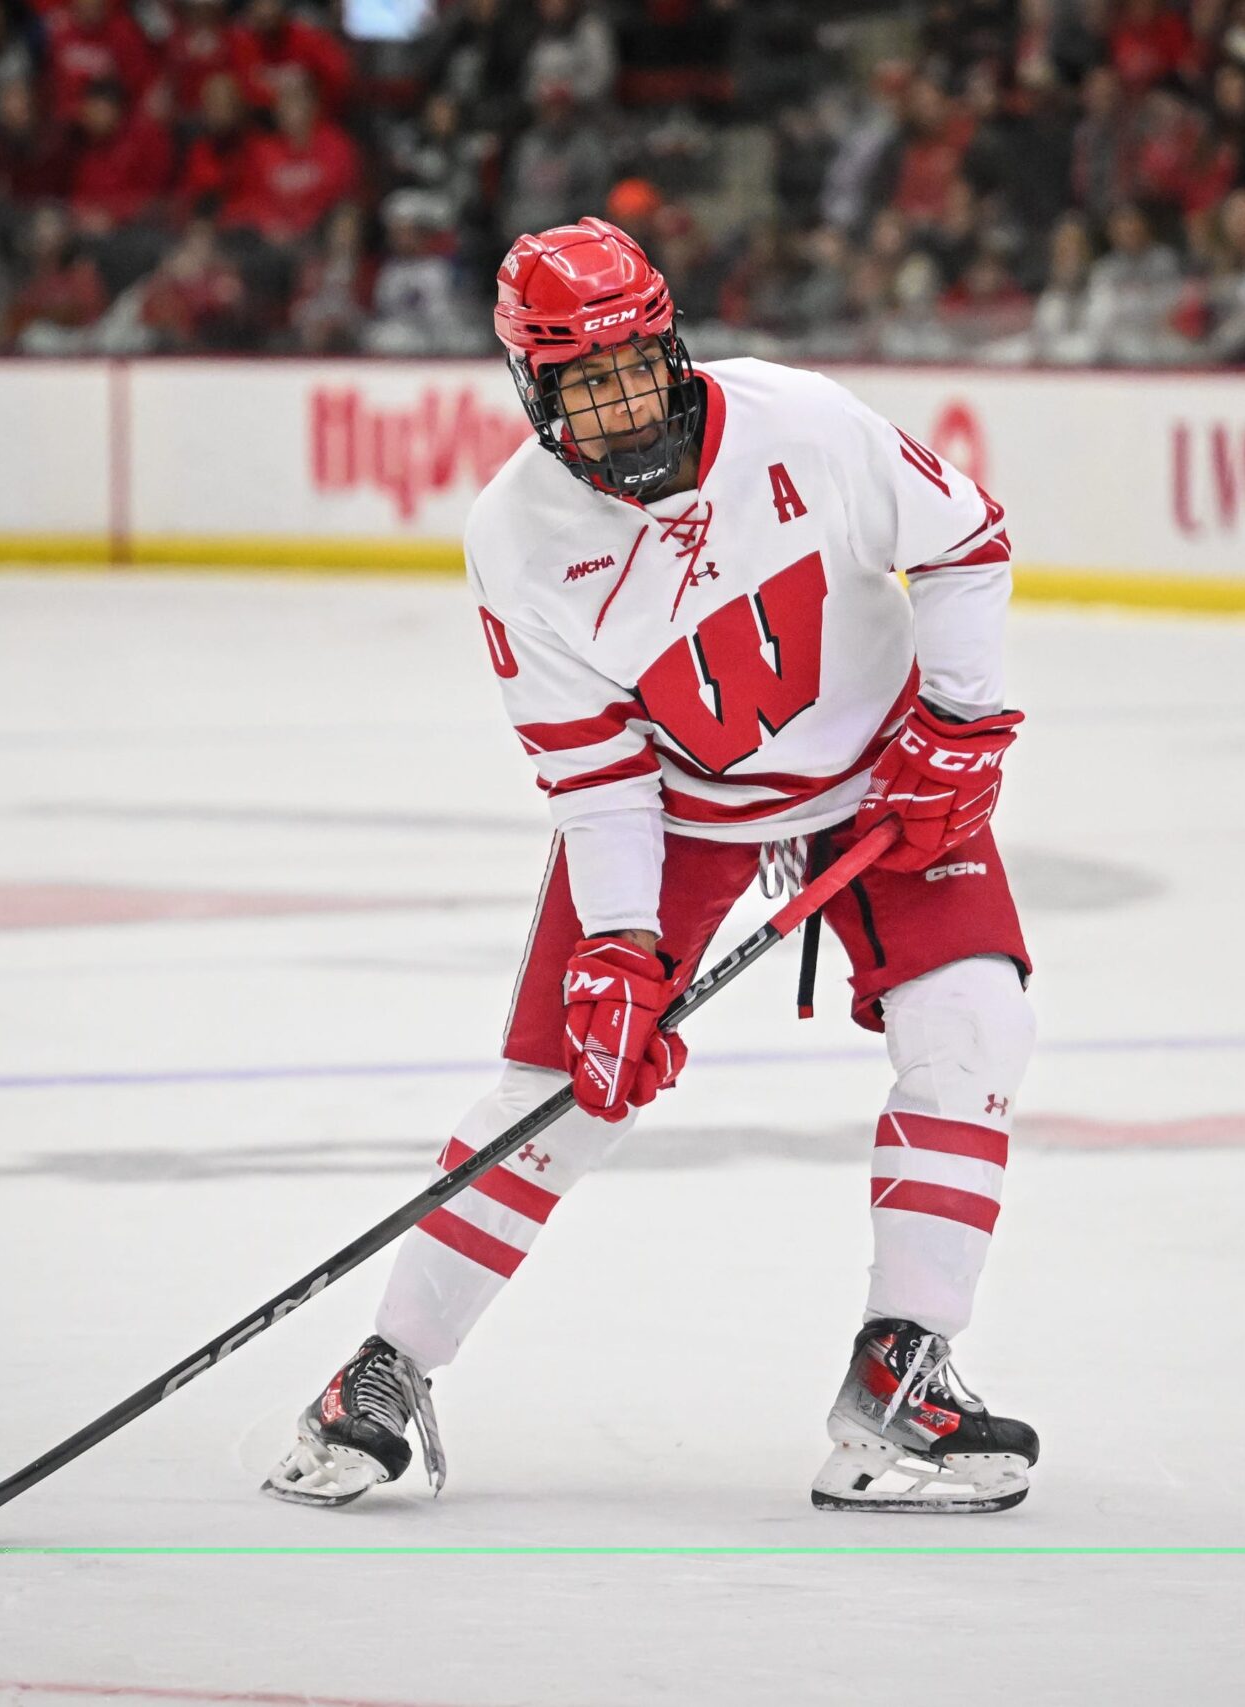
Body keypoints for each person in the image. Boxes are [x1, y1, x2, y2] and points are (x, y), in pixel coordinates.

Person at [263, 216, 1039, 1516]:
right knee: (569, 1084)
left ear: (670, 346)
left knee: (975, 1024)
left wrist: (959, 724)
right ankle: (383, 1368)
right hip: (677, 807)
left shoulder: (803, 421)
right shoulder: (517, 534)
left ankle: (901, 1372)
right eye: (586, 381)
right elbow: (598, 773)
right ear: (534, 390)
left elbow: (964, 542)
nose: (622, 402)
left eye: (634, 365)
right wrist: (621, 945)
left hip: (882, 771)